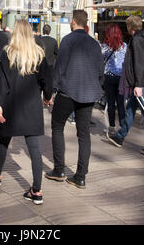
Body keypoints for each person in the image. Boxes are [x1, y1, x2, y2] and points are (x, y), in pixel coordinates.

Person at [0, 20, 53, 205]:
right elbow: (48, 79)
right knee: (34, 148)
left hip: (11, 103)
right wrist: (47, 96)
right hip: (32, 105)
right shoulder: (38, 54)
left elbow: (3, 82)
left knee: (4, 140)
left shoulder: (8, 53)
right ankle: (37, 190)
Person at [45, 10, 104, 189]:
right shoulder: (94, 44)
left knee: (57, 126)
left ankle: (59, 169)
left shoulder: (68, 40)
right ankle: (80, 176)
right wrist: (97, 87)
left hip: (68, 91)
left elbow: (59, 67)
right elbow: (100, 71)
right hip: (87, 93)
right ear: (86, 24)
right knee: (83, 134)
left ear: (73, 22)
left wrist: (50, 92)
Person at [106, 15, 144, 158]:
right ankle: (120, 136)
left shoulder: (137, 40)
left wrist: (137, 84)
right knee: (130, 109)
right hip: (142, 81)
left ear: (130, 27)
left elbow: (138, 63)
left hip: (139, 84)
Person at [101, 24, 127, 135]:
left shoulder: (105, 46)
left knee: (111, 103)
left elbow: (100, 59)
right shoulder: (125, 46)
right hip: (121, 78)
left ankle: (111, 126)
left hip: (109, 77)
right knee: (121, 104)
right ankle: (122, 126)